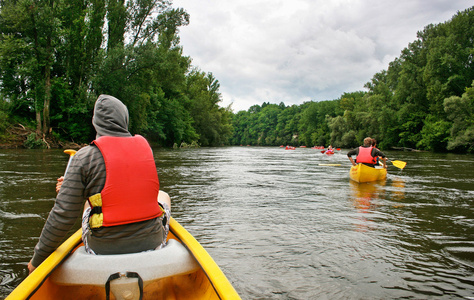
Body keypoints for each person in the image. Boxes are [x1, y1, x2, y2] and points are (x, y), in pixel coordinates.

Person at [28, 95, 171, 273]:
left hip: (102, 249)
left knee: (88, 204)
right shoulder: (146, 148)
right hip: (152, 242)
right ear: (124, 120)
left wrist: (36, 261)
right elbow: (126, 186)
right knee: (163, 195)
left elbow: (63, 215)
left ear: (95, 122)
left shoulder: (84, 156)